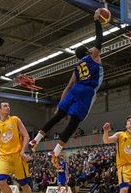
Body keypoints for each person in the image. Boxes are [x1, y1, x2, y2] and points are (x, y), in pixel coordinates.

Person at [29, 8, 105, 162]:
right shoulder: (94, 58)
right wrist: (97, 20)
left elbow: (68, 86)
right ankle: (56, 151)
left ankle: (36, 139)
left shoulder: (77, 66)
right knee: (74, 121)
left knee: (58, 116)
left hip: (74, 90)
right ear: (88, 51)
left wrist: (61, 103)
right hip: (86, 91)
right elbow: (99, 38)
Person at [0, 101, 32, 193]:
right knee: (1, 181)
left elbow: (26, 136)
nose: (8, 107)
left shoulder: (15, 119)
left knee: (24, 185)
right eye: (5, 106)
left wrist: (22, 152)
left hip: (17, 156)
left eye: (8, 106)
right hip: (4, 157)